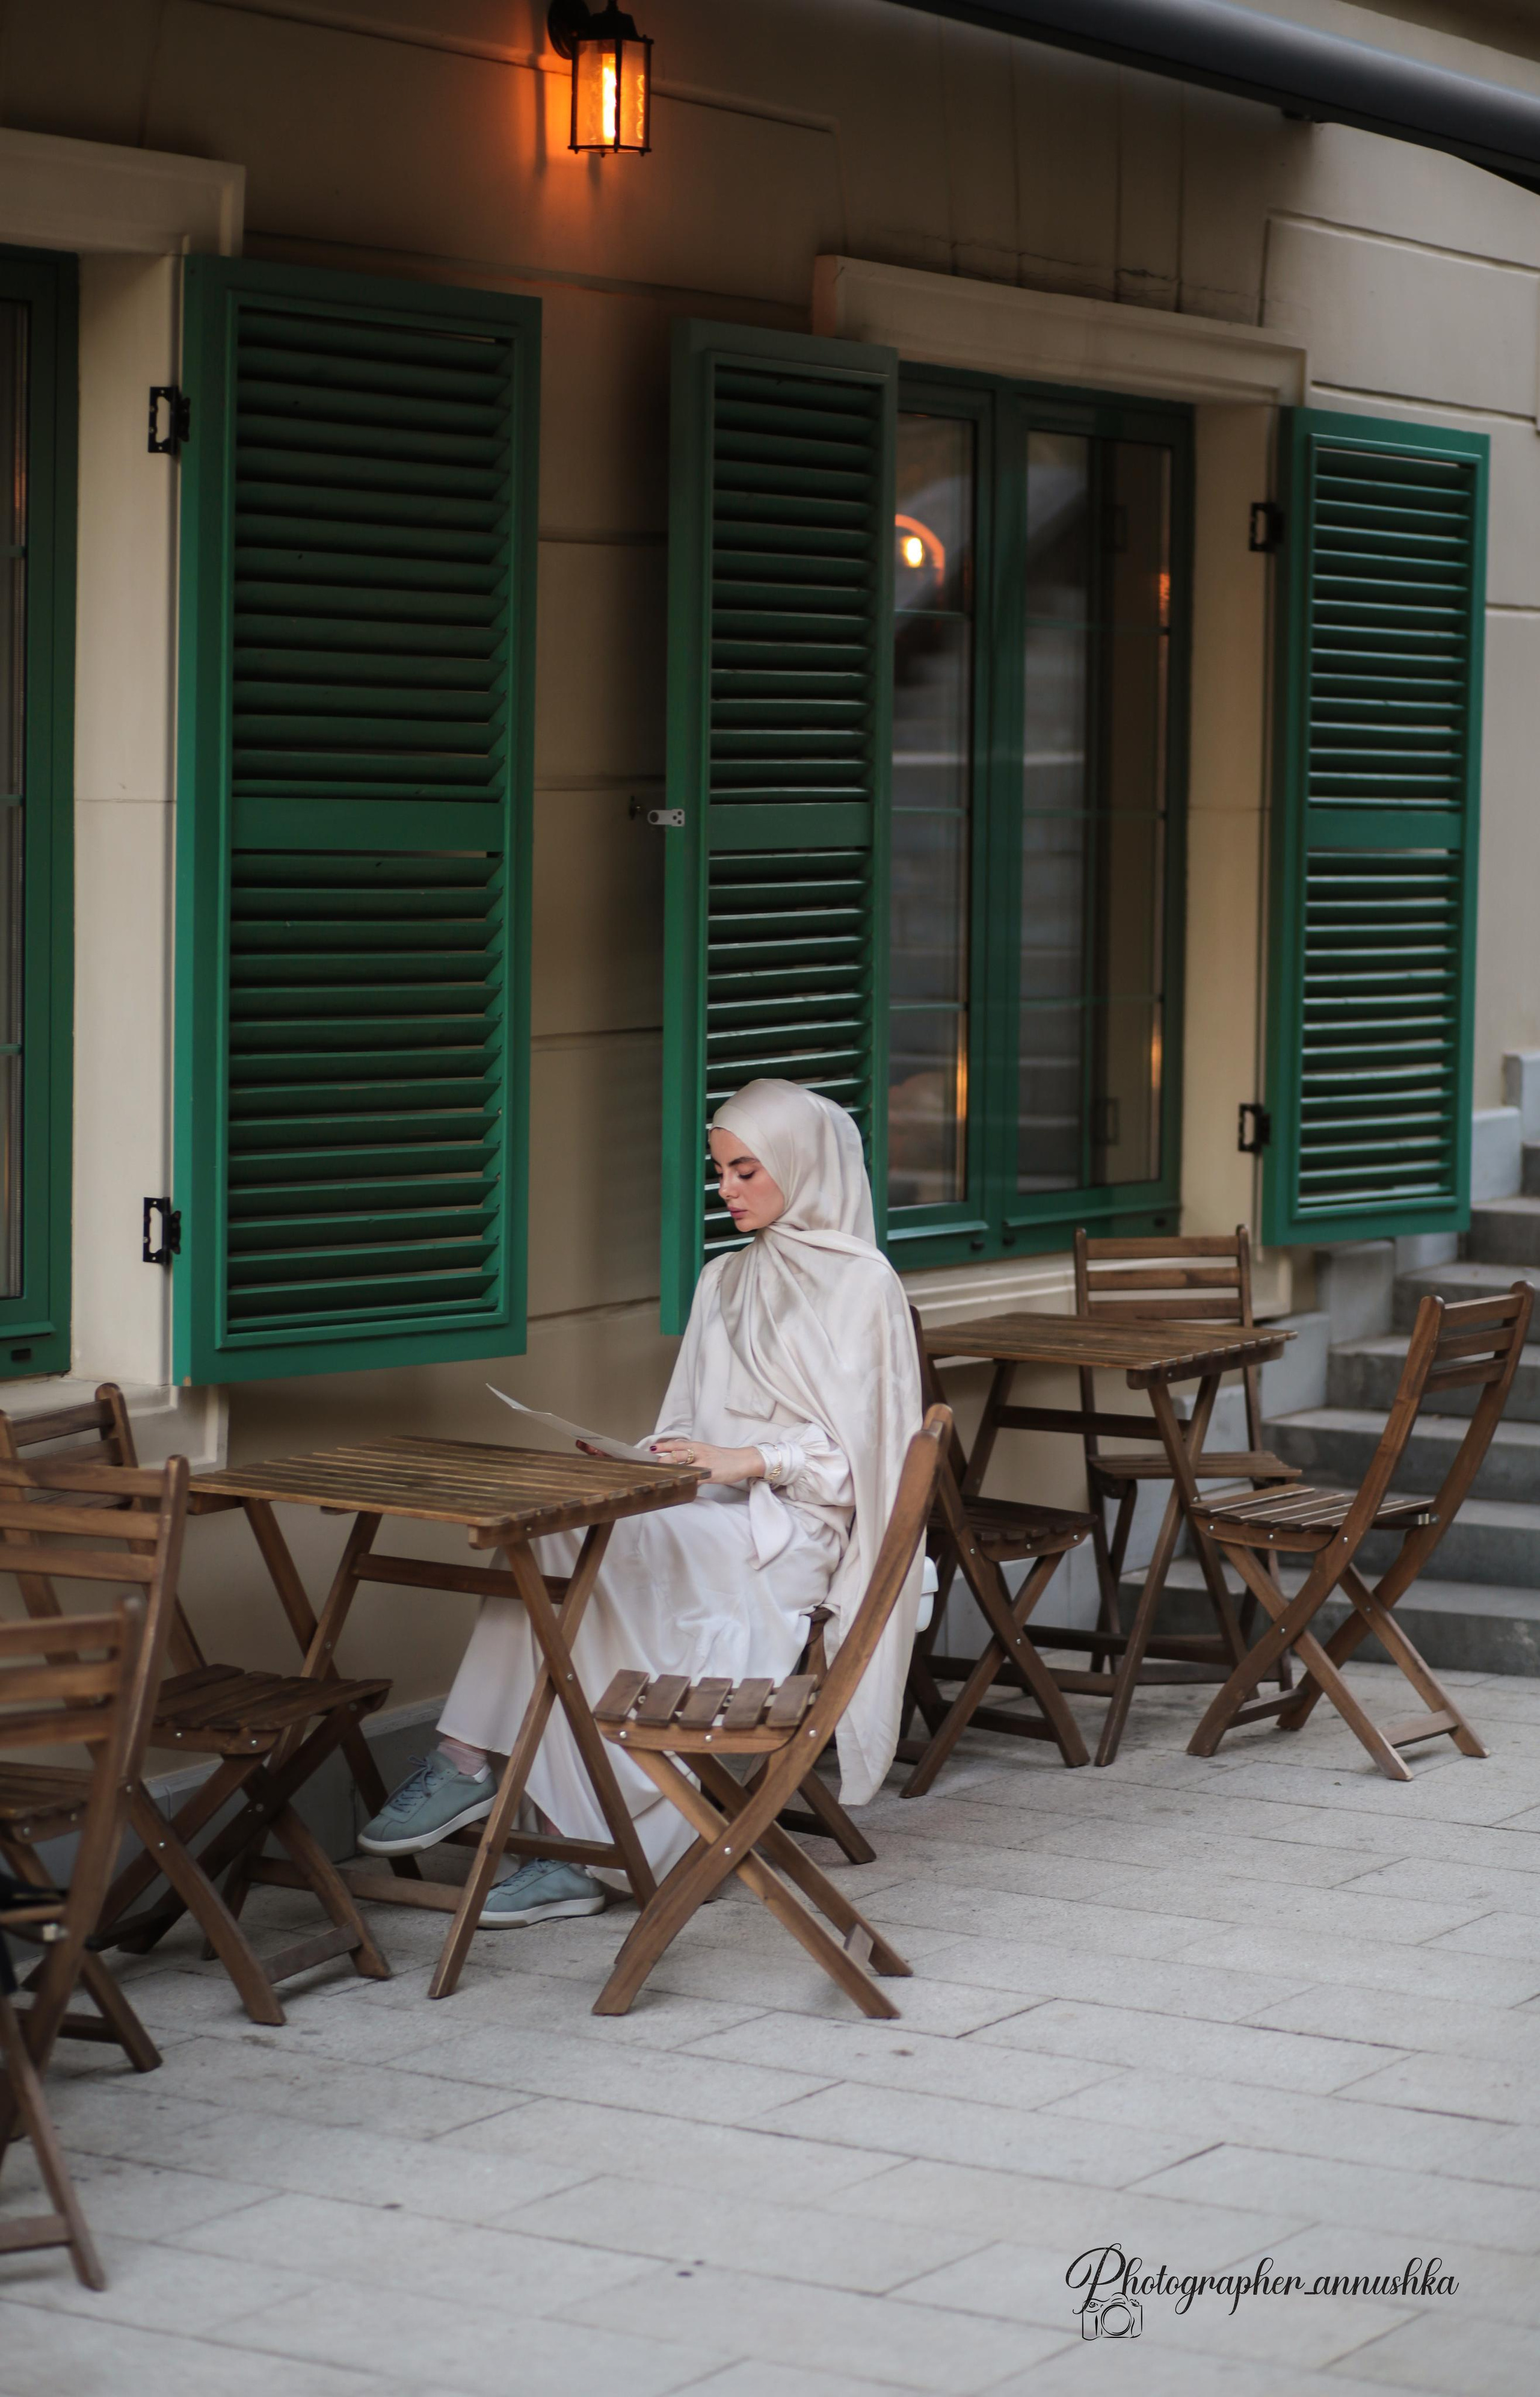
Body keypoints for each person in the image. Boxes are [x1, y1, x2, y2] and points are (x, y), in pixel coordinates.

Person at [357, 1078, 925, 1927]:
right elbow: (690, 1417)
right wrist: (652, 1454)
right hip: (709, 1510)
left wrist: (749, 1459)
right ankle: (495, 1782)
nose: (725, 1190)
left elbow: (873, 1463)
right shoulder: (724, 1278)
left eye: (745, 1172)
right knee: (559, 1540)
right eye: (720, 1172)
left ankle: (519, 1800)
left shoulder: (864, 1287)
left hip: (796, 1534)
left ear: (802, 1165)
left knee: (576, 1555)